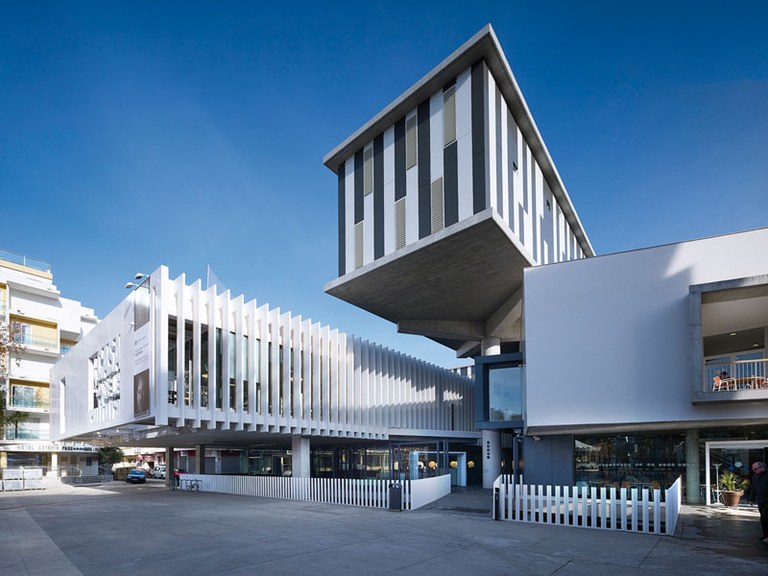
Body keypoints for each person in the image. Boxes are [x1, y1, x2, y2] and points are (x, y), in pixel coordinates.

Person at [749, 461, 768, 544]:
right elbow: (754, 488)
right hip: (761, 500)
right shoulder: (755, 476)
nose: (754, 470)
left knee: (765, 517)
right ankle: (765, 535)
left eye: (756, 469)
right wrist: (751, 499)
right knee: (763, 519)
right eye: (753, 469)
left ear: (762, 467)